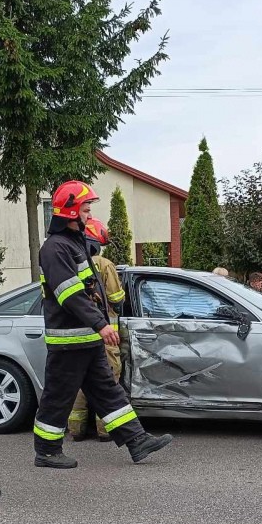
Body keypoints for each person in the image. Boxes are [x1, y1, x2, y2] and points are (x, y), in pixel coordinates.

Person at [32, 180, 172, 469]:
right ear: (70, 211)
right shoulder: (55, 248)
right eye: (85, 208)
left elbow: (91, 288)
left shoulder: (75, 243)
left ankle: (136, 440)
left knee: (108, 390)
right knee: (59, 396)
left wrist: (98, 324)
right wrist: (101, 324)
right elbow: (70, 294)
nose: (88, 213)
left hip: (87, 338)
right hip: (69, 339)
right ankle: (46, 451)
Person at [68, 217, 125, 441]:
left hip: (78, 331)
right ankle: (105, 430)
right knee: (107, 381)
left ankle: (76, 430)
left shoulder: (68, 263)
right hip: (105, 333)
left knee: (80, 381)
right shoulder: (103, 264)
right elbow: (116, 298)